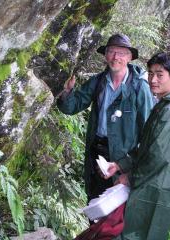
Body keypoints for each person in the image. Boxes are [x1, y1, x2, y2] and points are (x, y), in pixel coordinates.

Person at [105, 52, 170, 240]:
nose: (153, 79)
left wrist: (130, 177)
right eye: (150, 73)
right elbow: (147, 145)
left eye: (159, 74)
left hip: (163, 189)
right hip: (154, 184)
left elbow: (157, 155)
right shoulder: (163, 105)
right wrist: (121, 165)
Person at [57, 33, 154, 203]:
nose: (116, 57)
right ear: (105, 55)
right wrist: (67, 91)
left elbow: (147, 133)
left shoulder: (139, 88)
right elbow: (72, 106)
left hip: (123, 157)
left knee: (116, 210)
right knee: (95, 201)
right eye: (111, 52)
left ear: (130, 57)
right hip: (97, 153)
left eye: (121, 53)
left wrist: (127, 166)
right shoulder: (99, 82)